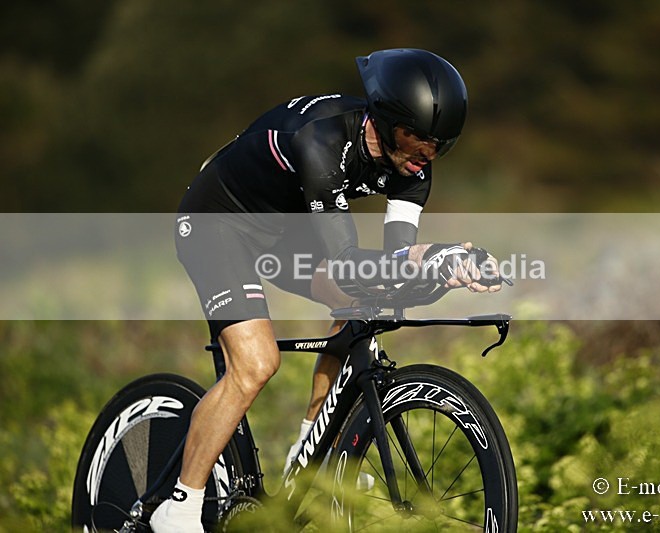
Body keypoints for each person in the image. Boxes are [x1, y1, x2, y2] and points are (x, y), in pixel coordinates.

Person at [151, 48, 502, 532]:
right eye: (417, 138)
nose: (427, 153)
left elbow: (396, 262)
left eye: (440, 145)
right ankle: (179, 506)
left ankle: (314, 447)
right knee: (255, 365)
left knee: (365, 301)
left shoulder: (413, 167)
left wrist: (441, 267)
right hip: (219, 223)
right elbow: (348, 263)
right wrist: (427, 259)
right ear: (384, 119)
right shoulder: (322, 141)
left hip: (284, 231)